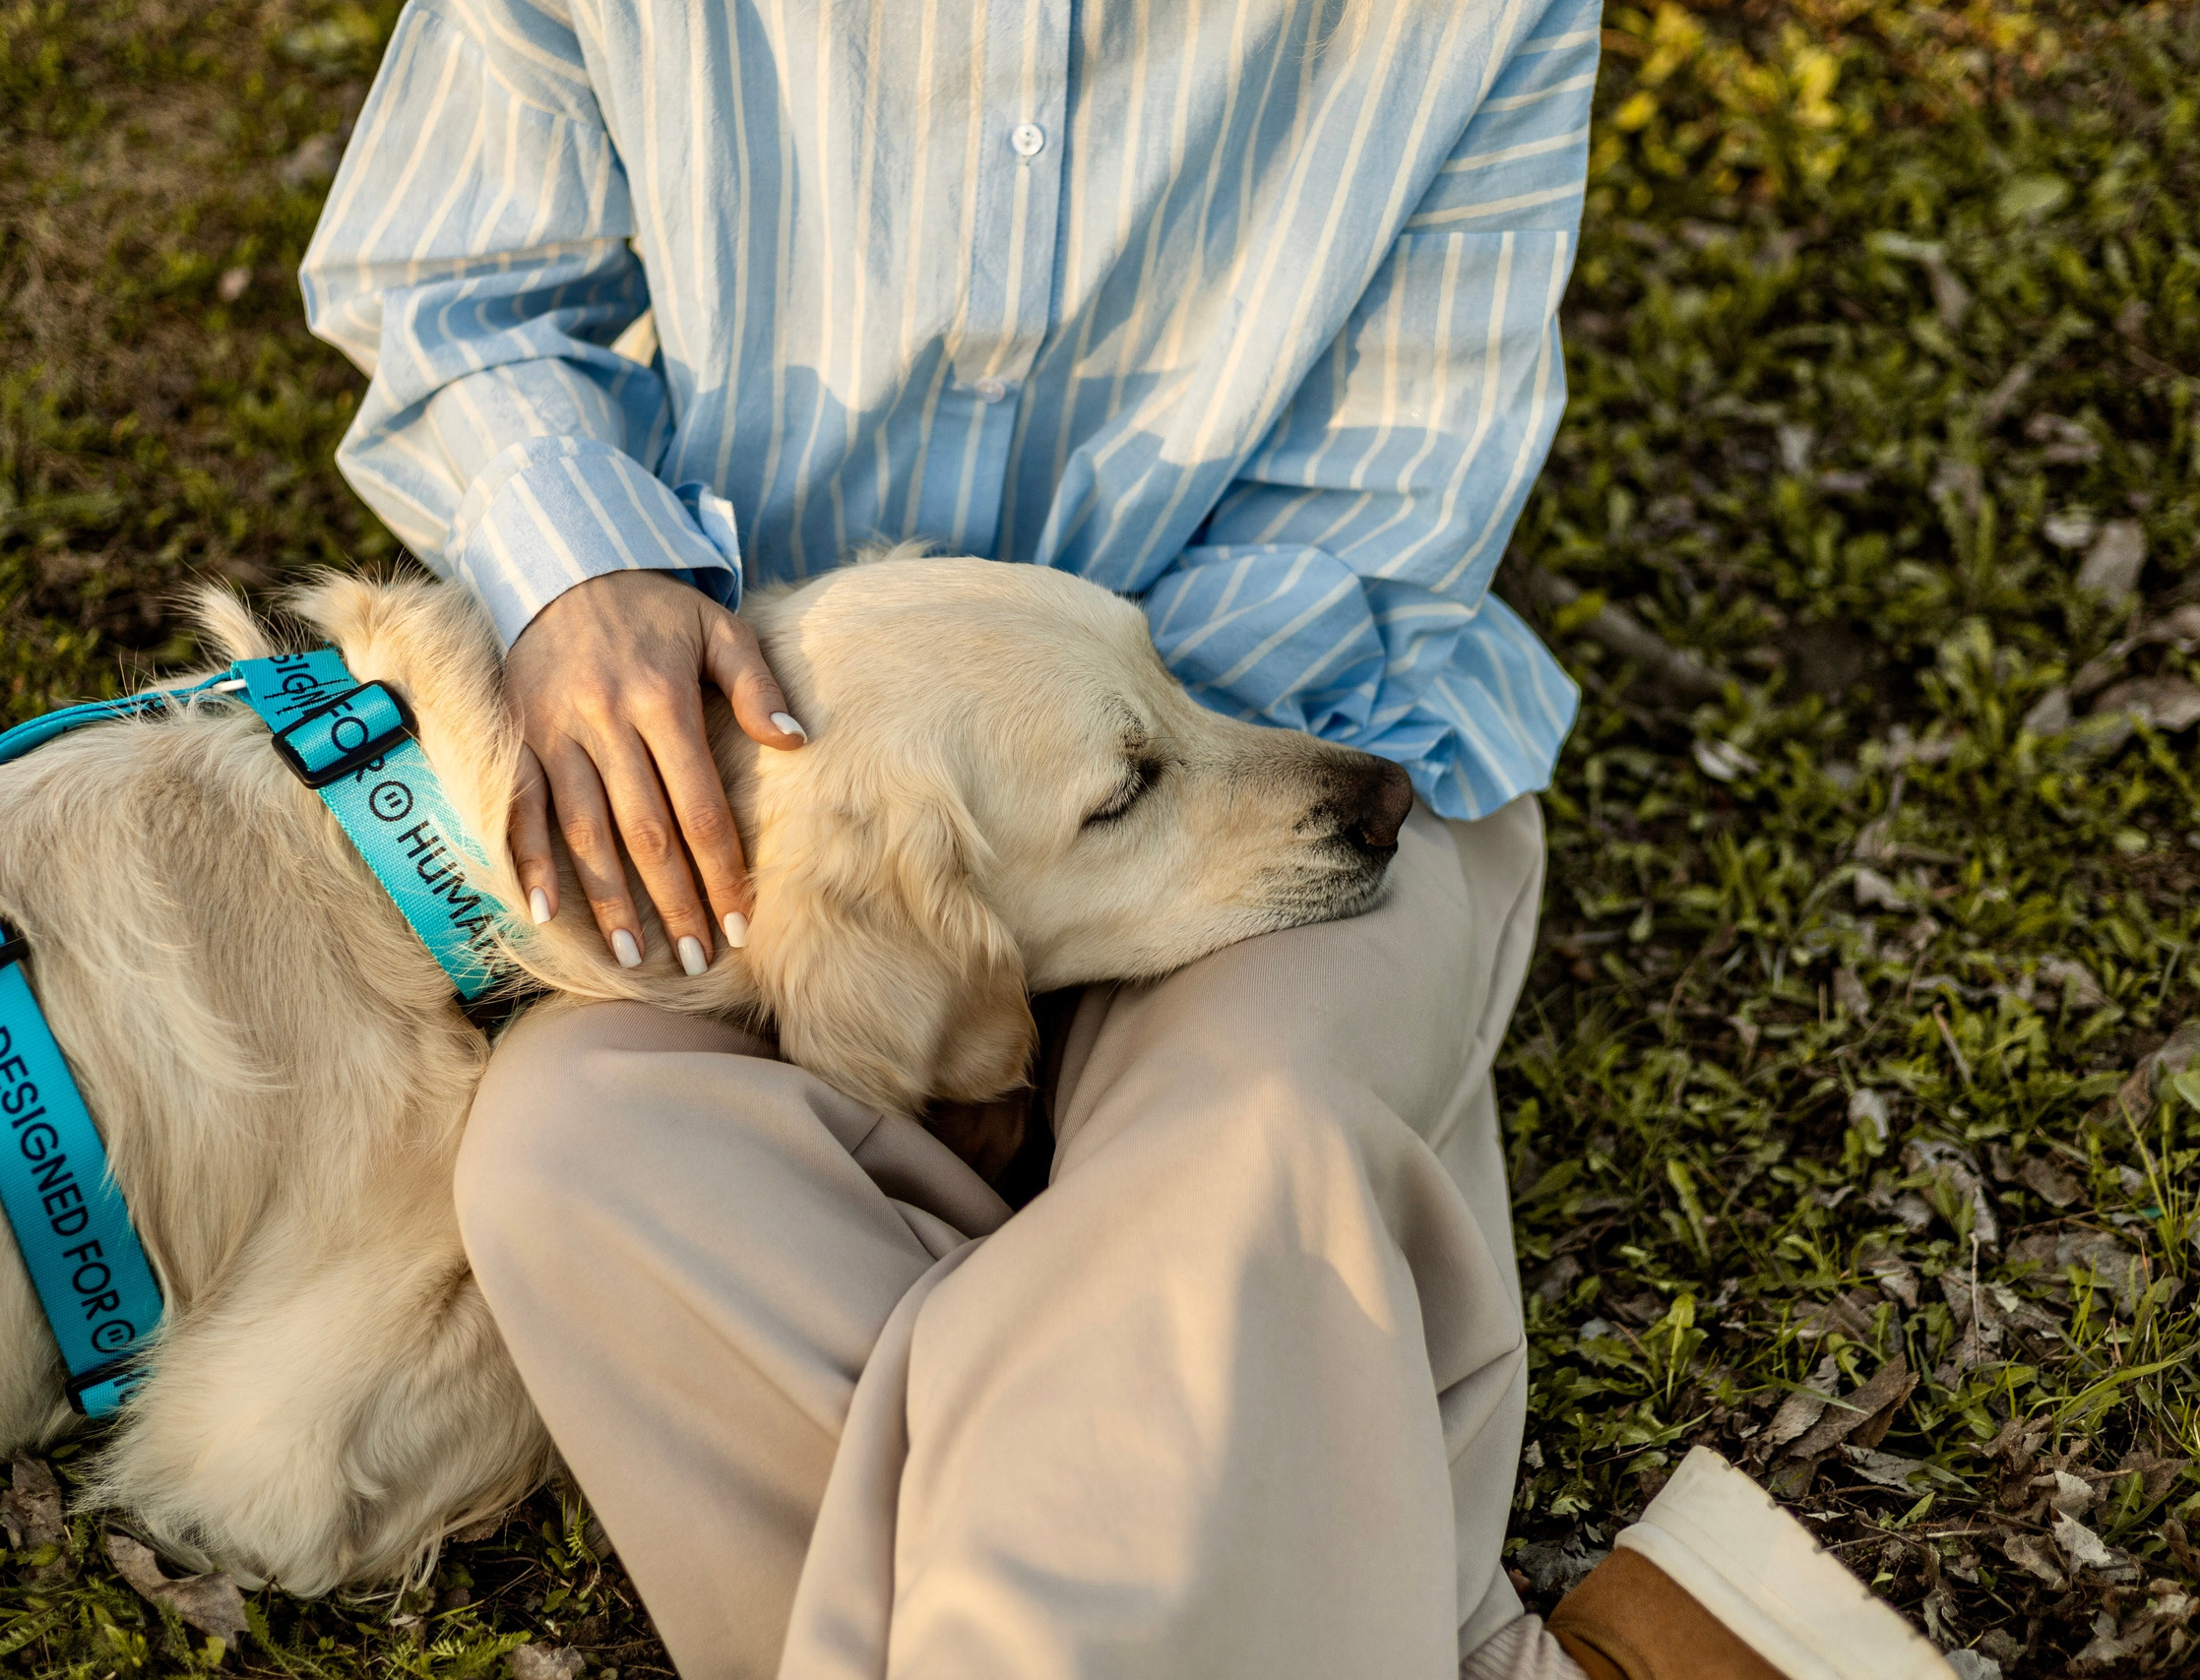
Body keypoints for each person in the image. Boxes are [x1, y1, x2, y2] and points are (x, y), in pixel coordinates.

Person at [300, 4, 1955, 1677]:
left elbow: (1377, 508)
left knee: (1251, 1142)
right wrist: (581, 564)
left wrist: (1066, 792)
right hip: (814, 849)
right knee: (571, 1151)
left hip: (1277, 751)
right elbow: (452, 271)